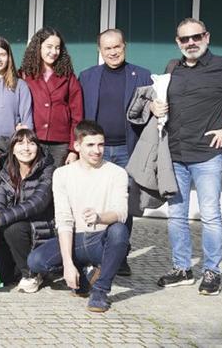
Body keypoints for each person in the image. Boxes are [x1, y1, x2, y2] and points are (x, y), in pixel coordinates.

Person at [152, 18, 222, 295]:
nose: (191, 43)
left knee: (210, 216)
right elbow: (160, 101)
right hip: (175, 154)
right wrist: (155, 106)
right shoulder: (172, 68)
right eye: (185, 39)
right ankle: (182, 269)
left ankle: (211, 271)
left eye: (196, 37)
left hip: (207, 156)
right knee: (176, 216)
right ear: (178, 42)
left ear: (206, 36)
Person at [27, 121, 129, 312]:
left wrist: (99, 217)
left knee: (119, 230)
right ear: (77, 146)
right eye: (90, 145)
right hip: (76, 240)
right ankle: (82, 275)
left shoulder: (118, 173)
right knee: (35, 261)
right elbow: (64, 220)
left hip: (101, 239)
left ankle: (100, 290)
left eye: (101, 145)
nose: (97, 150)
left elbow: (121, 213)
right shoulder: (62, 174)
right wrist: (67, 264)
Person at [78, 28, 152, 277]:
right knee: (93, 199)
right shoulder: (87, 76)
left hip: (127, 151)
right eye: (107, 48)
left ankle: (119, 256)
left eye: (116, 47)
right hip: (95, 149)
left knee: (123, 204)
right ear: (100, 50)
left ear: (124, 46)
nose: (112, 52)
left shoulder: (142, 76)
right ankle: (93, 253)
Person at [0, 128, 55, 293]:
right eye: (20, 143)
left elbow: (36, 203)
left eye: (31, 143)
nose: (26, 148)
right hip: (14, 230)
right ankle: (18, 267)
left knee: (14, 228)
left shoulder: (48, 170)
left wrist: (0, 218)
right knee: (2, 277)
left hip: (40, 228)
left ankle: (31, 274)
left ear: (38, 147)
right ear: (12, 149)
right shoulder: (8, 169)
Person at [21, 27, 84, 167]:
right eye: (49, 47)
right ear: (38, 47)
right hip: (31, 141)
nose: (54, 52)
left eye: (57, 47)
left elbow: (77, 116)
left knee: (57, 180)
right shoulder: (25, 75)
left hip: (61, 144)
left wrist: (74, 149)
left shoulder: (68, 77)